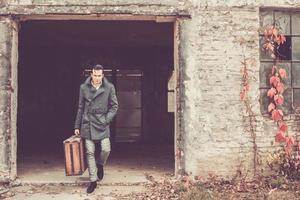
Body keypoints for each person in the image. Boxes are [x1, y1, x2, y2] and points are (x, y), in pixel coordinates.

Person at [74, 64, 118, 193]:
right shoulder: (83, 88)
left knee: (106, 149)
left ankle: (100, 165)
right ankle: (93, 181)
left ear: (102, 75)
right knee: (89, 152)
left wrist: (106, 120)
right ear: (91, 75)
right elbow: (80, 108)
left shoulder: (109, 87)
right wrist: (77, 125)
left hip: (102, 123)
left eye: (99, 75)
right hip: (88, 123)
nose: (97, 78)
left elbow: (114, 106)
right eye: (95, 75)